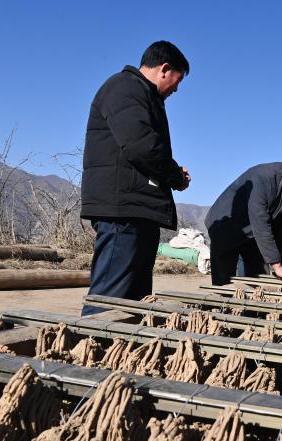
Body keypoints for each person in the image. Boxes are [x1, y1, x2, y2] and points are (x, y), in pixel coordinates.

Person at [80, 41, 191, 316]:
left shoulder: (142, 94)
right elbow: (141, 145)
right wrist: (175, 176)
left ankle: (119, 343)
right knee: (109, 300)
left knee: (134, 301)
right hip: (123, 211)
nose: (176, 89)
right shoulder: (125, 88)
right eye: (177, 81)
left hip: (137, 209)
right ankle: (90, 341)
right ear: (164, 69)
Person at [205, 156, 282, 285]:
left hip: (253, 234)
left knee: (258, 279)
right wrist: (276, 265)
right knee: (224, 282)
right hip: (227, 225)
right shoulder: (264, 178)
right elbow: (261, 222)